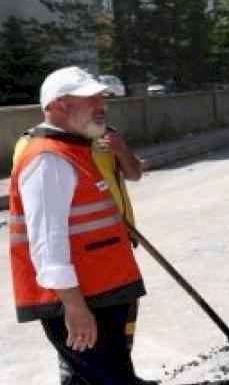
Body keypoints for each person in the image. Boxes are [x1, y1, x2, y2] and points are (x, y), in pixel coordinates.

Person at [8, 66, 148, 385]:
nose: (102, 106)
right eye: (90, 99)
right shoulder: (48, 159)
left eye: (102, 98)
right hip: (82, 299)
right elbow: (47, 244)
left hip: (103, 290)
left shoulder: (77, 148)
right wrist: (74, 307)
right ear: (59, 105)